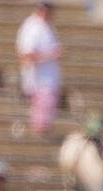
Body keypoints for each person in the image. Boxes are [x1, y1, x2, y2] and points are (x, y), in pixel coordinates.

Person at [15, 2, 61, 137]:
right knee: (40, 120)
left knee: (47, 115)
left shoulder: (47, 26)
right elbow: (27, 55)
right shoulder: (33, 27)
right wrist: (52, 55)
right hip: (39, 81)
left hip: (48, 81)